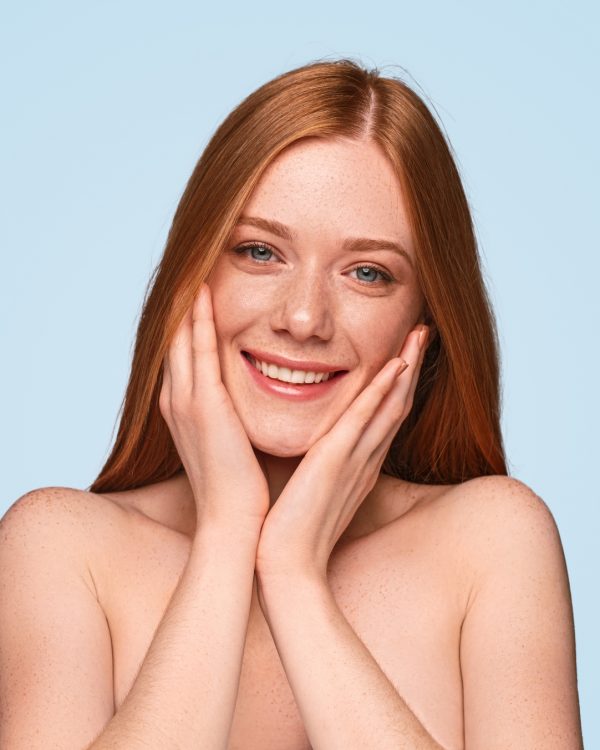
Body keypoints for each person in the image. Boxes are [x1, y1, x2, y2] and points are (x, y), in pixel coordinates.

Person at [0, 58, 583, 750]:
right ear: (194, 274)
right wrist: (225, 537)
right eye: (259, 252)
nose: (304, 318)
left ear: (424, 318)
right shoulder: (63, 548)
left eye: (368, 272)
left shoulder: (492, 542)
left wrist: (295, 576)